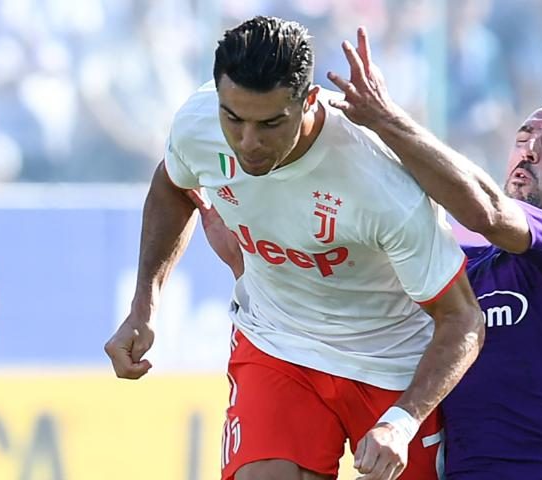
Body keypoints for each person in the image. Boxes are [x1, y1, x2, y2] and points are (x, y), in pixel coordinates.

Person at [102, 17, 486, 480]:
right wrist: (145, 304)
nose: (248, 142)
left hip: (393, 364)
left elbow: (462, 319)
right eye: (233, 118)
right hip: (278, 344)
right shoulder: (198, 123)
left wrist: (402, 423)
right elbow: (172, 185)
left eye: (269, 124)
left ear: (308, 100)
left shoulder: (380, 184)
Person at [328, 28, 542, 479]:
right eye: (523, 137)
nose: (529, 151)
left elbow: (487, 211)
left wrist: (386, 119)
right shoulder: (463, 263)